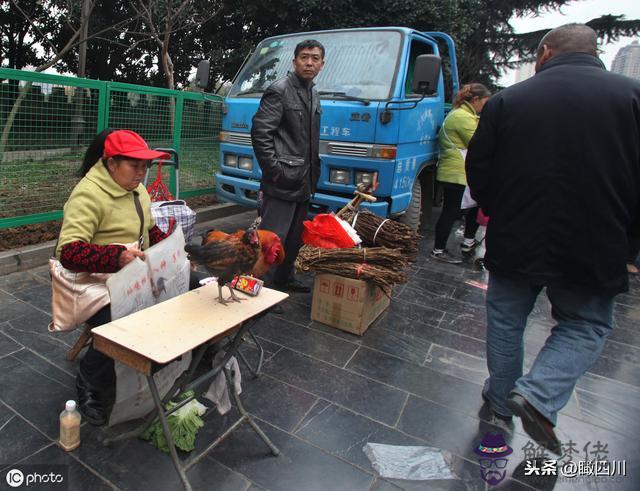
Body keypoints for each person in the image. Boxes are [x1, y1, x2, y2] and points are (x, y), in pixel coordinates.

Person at [466, 24, 640, 453]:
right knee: (585, 324)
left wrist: (500, 211)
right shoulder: (632, 97)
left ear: (544, 53)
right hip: (598, 239)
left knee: (507, 319)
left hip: (517, 233)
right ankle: (540, 394)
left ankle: (503, 401)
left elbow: (480, 171)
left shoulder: (509, 99)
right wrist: (630, 240)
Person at [56, 129, 178, 425]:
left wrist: (171, 243)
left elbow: (148, 230)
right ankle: (90, 381)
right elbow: (68, 253)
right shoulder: (88, 194)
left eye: (145, 166)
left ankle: (178, 358)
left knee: (191, 287)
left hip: (131, 274)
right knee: (121, 320)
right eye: (134, 165)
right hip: (93, 282)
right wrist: (116, 257)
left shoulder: (138, 190)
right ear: (111, 164)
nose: (141, 172)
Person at [251, 39, 325, 293]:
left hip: (304, 179)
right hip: (283, 180)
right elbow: (261, 133)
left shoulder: (313, 93)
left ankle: (284, 278)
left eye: (315, 58)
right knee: (270, 238)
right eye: (304, 57)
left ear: (322, 64)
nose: (309, 62)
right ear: (294, 62)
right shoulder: (279, 90)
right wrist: (275, 173)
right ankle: (256, 287)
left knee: (294, 238)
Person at [431, 83, 491, 264]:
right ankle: (439, 249)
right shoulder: (462, 117)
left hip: (460, 171)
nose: (485, 106)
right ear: (475, 100)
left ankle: (468, 242)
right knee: (450, 211)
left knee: (472, 207)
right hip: (456, 172)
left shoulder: (464, 115)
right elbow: (478, 144)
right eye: (484, 102)